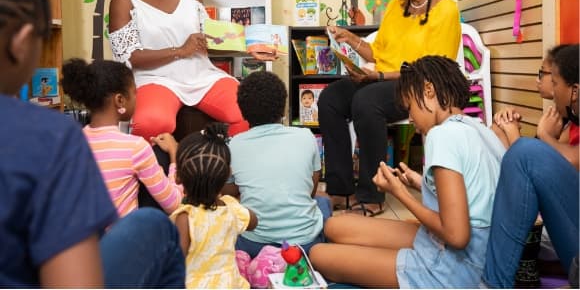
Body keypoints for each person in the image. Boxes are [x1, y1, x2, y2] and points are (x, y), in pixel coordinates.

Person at [0, 0, 184, 287]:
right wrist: (175, 157)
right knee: (154, 225)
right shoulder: (52, 137)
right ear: (21, 42)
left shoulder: (76, 136)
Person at [310, 56, 505, 288]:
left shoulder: (440, 136)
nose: (410, 117)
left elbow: (457, 236)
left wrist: (400, 193)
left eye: (410, 106)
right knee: (334, 226)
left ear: (429, 90)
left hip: (451, 269)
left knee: (319, 254)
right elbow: (471, 197)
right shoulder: (477, 128)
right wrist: (420, 184)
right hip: (473, 252)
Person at [318, 0, 461, 215]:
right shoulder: (396, 7)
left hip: (420, 86)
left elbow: (434, 69)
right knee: (331, 98)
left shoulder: (446, 11)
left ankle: (373, 192)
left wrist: (379, 75)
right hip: (381, 79)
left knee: (365, 101)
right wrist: (351, 39)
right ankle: (339, 189)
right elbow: (378, 52)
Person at [108, 0, 260, 143]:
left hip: (202, 76)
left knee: (248, 109)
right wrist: (180, 50)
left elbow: (207, 41)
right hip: (155, 79)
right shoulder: (123, 1)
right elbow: (130, 58)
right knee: (152, 122)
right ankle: (160, 176)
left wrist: (250, 46)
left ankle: (224, 171)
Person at [483, 44, 579, 288]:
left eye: (554, 82)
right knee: (520, 149)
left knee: (524, 152)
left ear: (574, 92)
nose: (553, 90)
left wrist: (543, 137)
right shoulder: (570, 122)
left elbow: (568, 161)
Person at [223, 71, 332, 258]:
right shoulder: (306, 136)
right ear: (283, 109)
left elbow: (228, 192)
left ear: (243, 112)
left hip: (253, 245)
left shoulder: (234, 145)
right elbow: (310, 191)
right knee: (323, 201)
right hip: (304, 245)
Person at [61, 58, 183, 217]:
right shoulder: (135, 148)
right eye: (134, 93)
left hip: (85, 237)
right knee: (161, 155)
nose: (137, 99)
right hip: (122, 239)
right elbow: (174, 205)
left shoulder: (72, 143)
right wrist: (174, 155)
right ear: (120, 100)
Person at [154, 123, 258, 288]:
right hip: (230, 284)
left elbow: (176, 260)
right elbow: (253, 222)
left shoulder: (185, 217)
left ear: (178, 178)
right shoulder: (231, 208)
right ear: (227, 175)